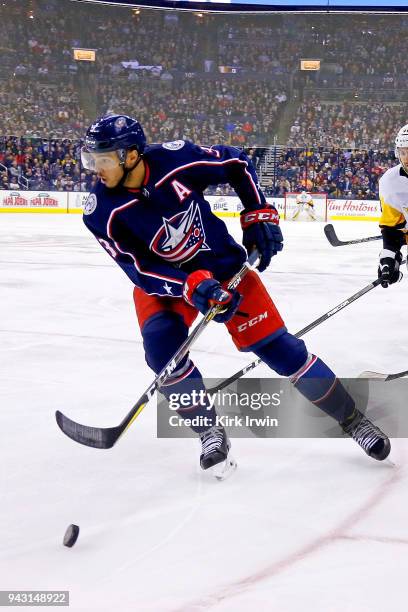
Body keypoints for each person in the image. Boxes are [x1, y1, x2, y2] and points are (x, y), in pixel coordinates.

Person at [80, 114, 390, 478]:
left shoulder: (175, 159)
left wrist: (257, 214)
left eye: (103, 159)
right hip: (169, 284)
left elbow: (236, 162)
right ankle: (209, 431)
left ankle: (353, 420)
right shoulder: (100, 210)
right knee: (162, 349)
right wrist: (189, 286)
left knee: (282, 351)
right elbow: (138, 270)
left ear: (131, 155)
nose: (95, 169)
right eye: (92, 159)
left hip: (225, 269)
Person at [377, 124, 408, 289]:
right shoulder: (390, 182)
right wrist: (388, 257)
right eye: (403, 152)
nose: (407, 158)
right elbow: (391, 228)